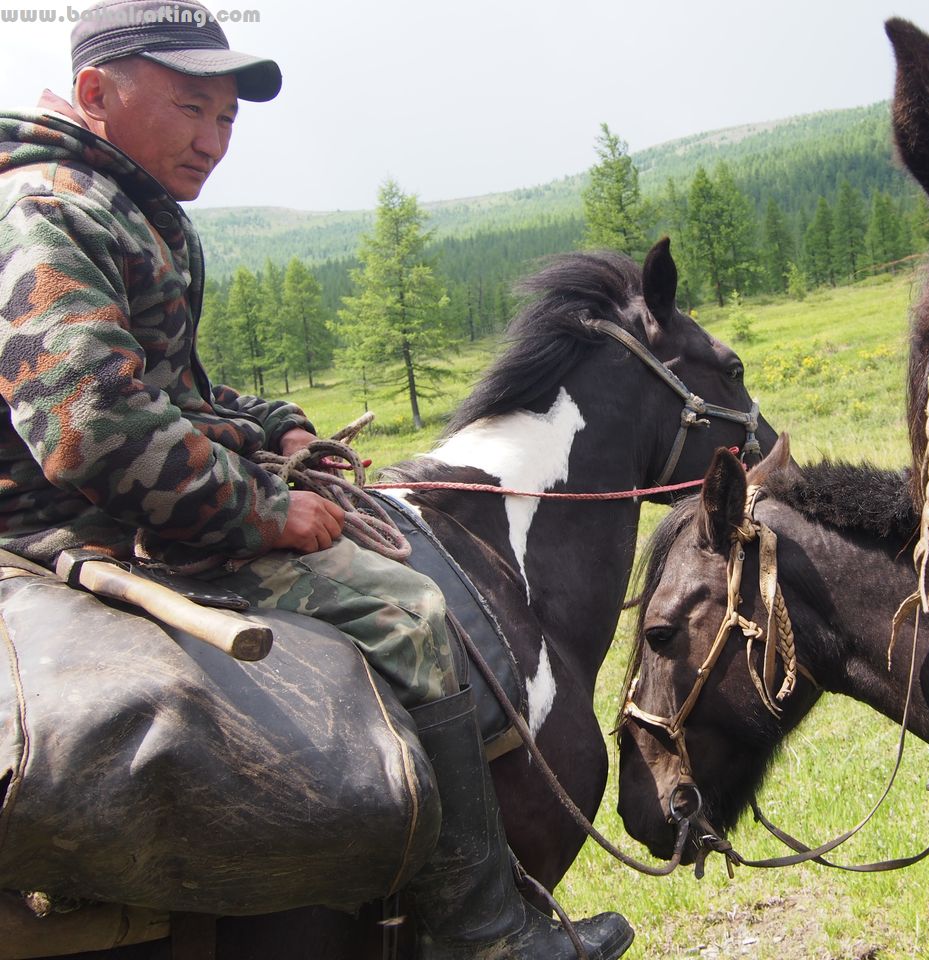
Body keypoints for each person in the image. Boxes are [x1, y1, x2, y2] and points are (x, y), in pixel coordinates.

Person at [0, 2, 633, 958]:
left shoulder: (117, 202)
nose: (213, 141)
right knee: (409, 614)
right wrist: (265, 511)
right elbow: (92, 428)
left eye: (227, 119)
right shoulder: (51, 210)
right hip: (80, 525)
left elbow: (164, 385)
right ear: (95, 92)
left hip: (109, 499)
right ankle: (482, 927)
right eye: (188, 109)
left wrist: (270, 427)